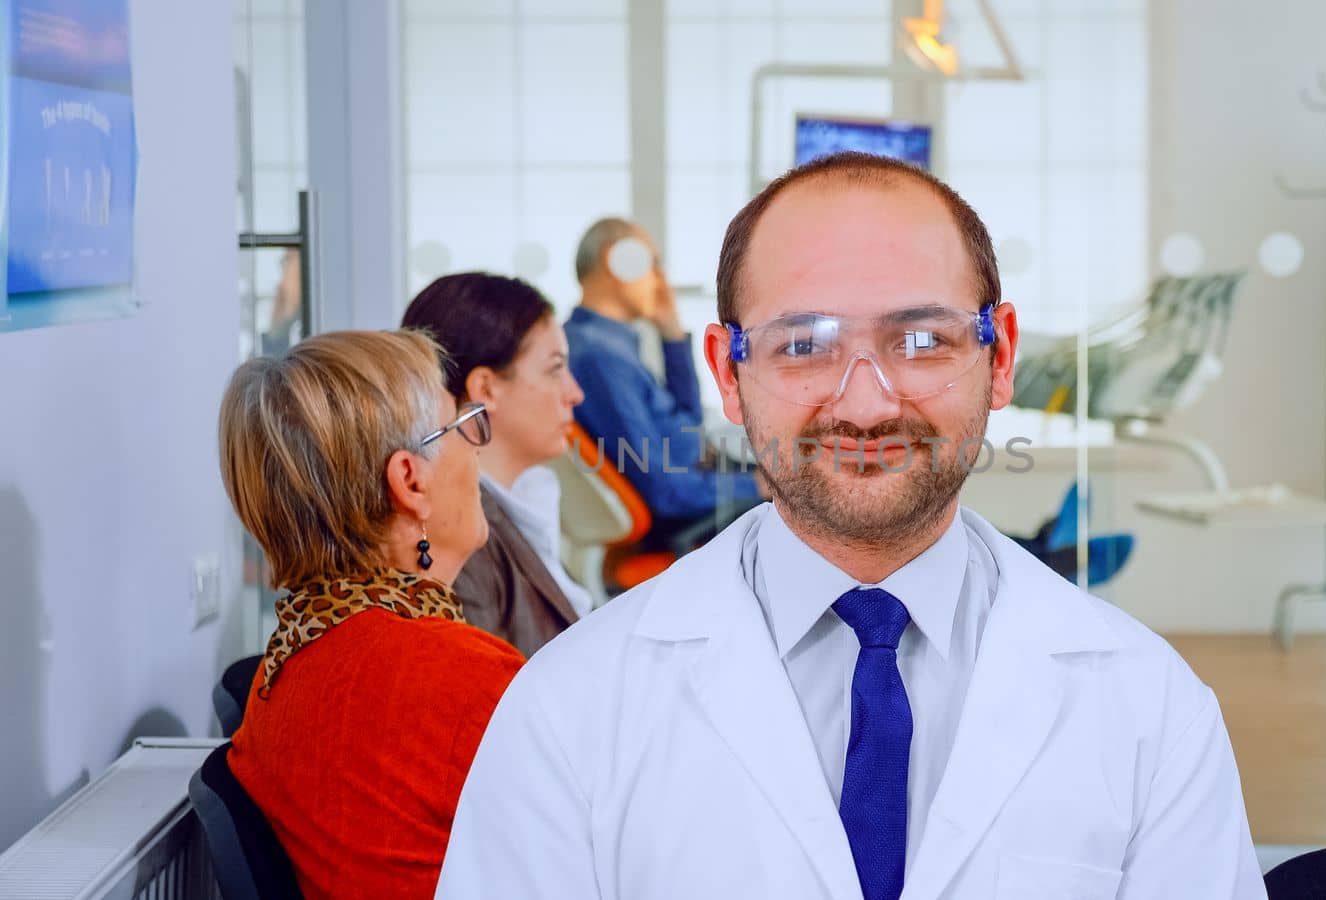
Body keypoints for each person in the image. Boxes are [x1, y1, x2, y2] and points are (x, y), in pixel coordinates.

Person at [437, 154, 1265, 899]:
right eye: (804, 345)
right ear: (729, 372)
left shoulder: (1153, 712)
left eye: (921, 339)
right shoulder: (568, 709)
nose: (866, 405)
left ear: (1000, 357)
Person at [220, 330, 523, 899]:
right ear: (412, 481)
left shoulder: (284, 665)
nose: (478, 447)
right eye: (462, 425)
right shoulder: (455, 678)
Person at [402, 272, 592, 656]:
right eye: (555, 369)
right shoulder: (459, 542)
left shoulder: (521, 507)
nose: (575, 393)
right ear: (486, 389)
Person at [563, 217, 762, 552]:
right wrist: (756, 486)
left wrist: (671, 334)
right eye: (652, 262)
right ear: (618, 261)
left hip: (694, 477)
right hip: (683, 512)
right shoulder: (599, 357)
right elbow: (664, 490)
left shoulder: (608, 343)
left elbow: (689, 422)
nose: (661, 278)